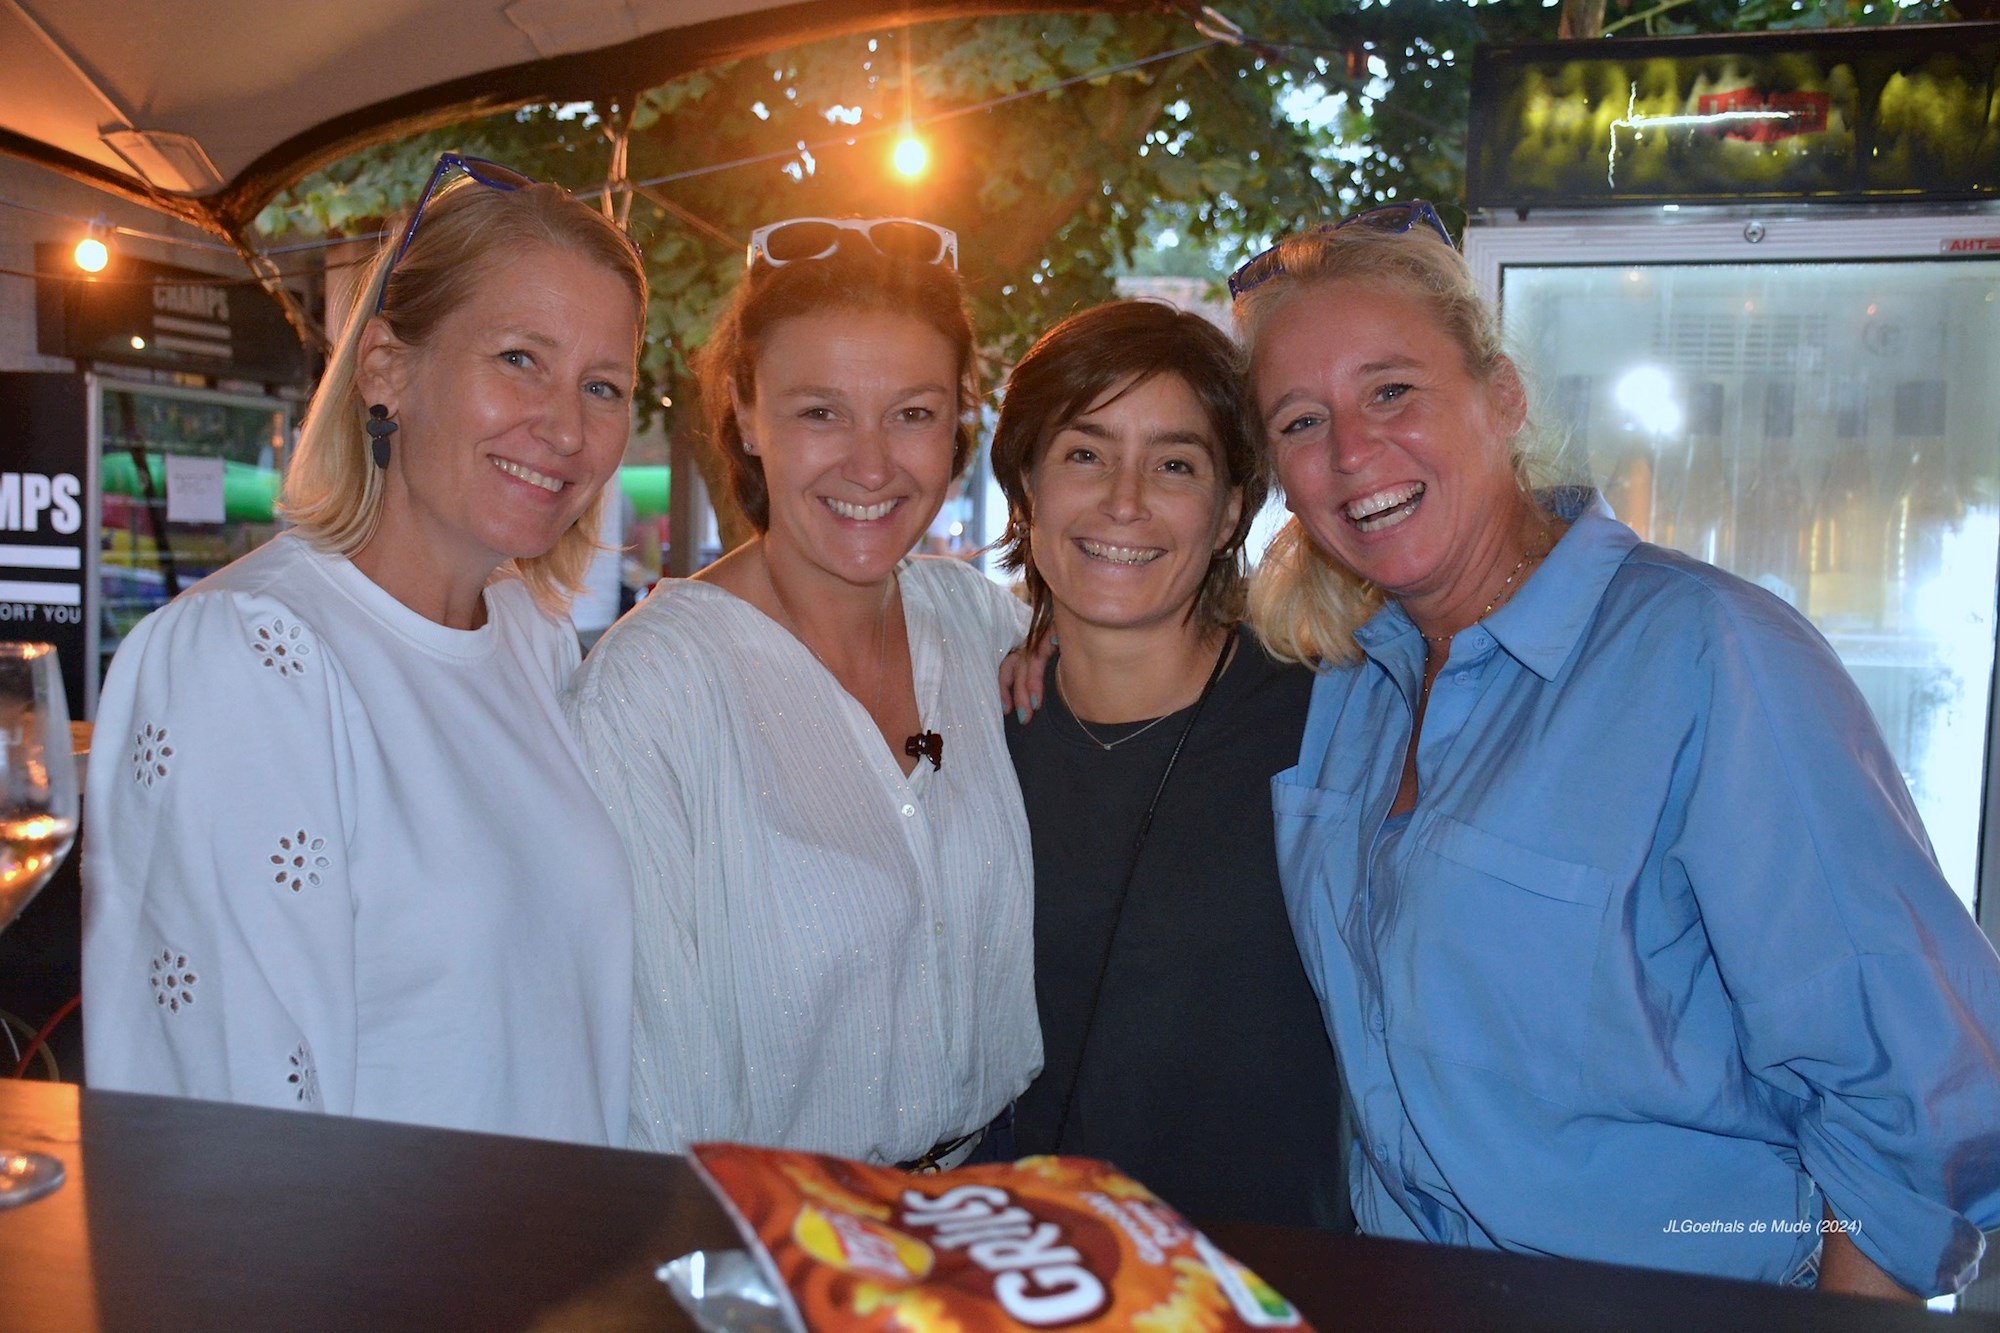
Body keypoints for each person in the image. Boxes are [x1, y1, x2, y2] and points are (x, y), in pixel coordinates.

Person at [1236, 201, 2000, 1298]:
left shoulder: (1706, 654)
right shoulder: (1350, 682)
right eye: (1302, 421)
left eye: (1390, 391)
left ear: (1502, 396)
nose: (1352, 451)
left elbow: (1916, 1098)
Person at [83, 154, 643, 1146]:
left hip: (564, 1240)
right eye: (519, 358)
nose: (565, 426)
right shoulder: (249, 655)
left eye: (602, 385)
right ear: (387, 369)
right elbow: (226, 1131)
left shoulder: (533, 641)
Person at [566, 218, 1038, 1166]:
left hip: (996, 1201)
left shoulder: (980, 622)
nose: (872, 464)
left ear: (957, 422)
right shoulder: (654, 690)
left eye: (912, 413)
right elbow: (646, 1094)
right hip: (773, 1228)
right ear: (746, 412)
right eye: (822, 411)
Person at [990, 300, 1349, 1229]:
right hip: (1020, 1268)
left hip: (1268, 1275)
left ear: (1229, 510)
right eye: (1085, 453)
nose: (1125, 499)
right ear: (1026, 486)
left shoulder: (1329, 722)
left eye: (1175, 464)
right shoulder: (970, 733)